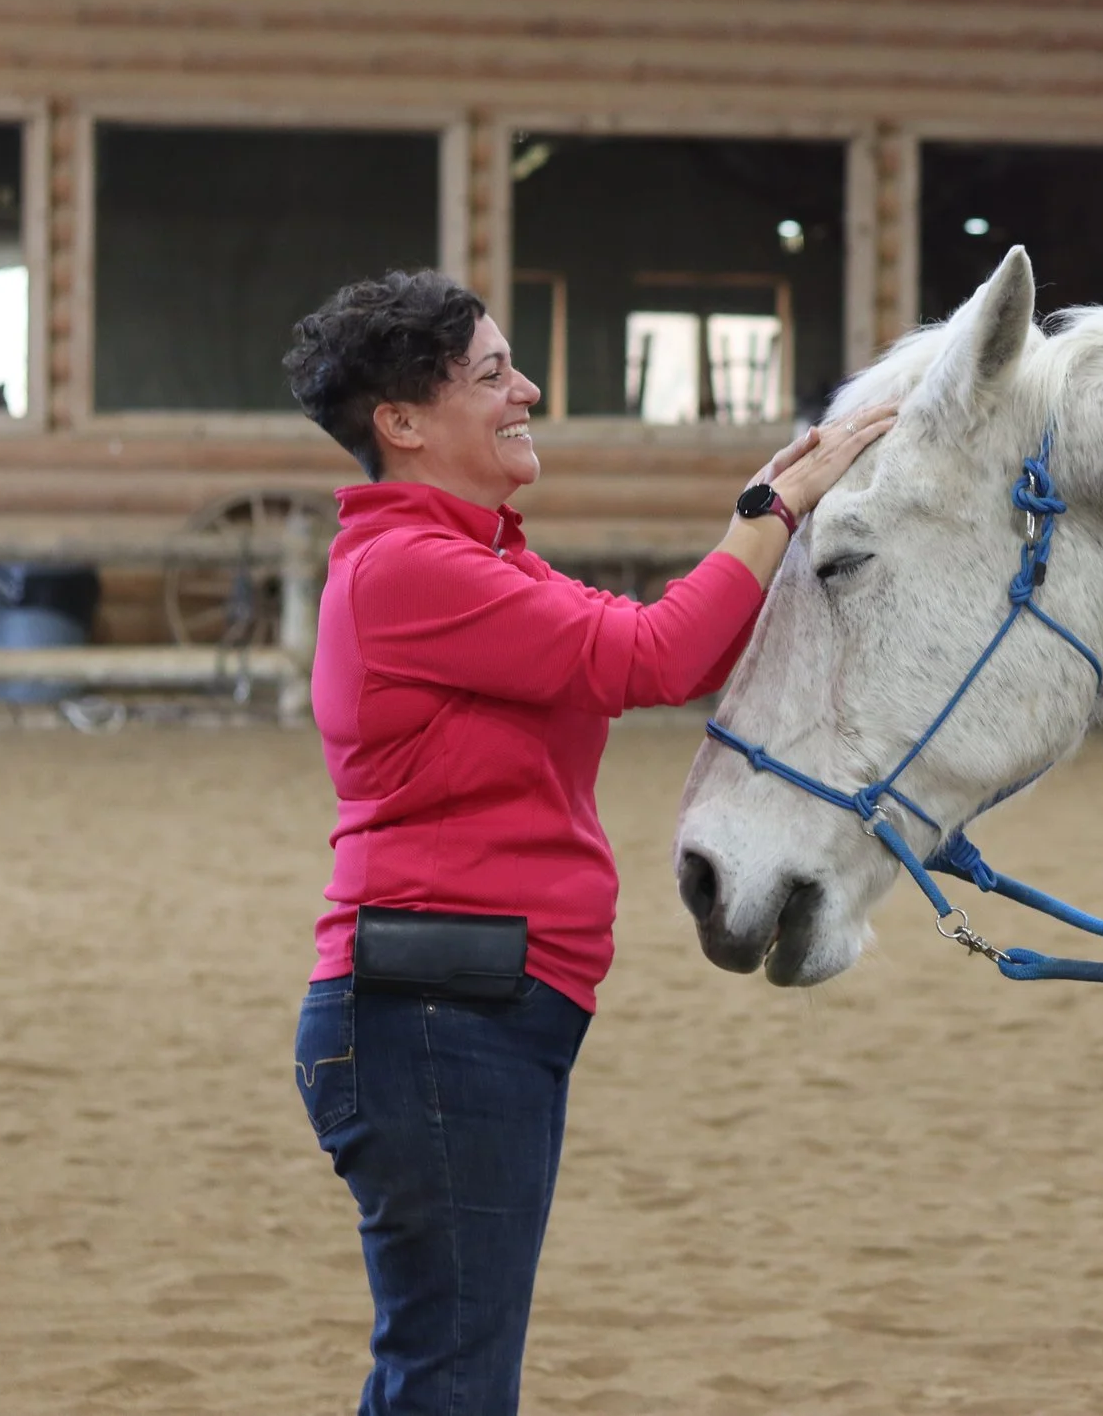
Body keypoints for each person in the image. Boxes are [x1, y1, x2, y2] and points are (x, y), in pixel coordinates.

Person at [281, 270, 892, 1414]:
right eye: (492, 375)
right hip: (437, 1015)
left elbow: (674, 650)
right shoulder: (415, 567)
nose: (530, 390)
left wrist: (776, 528)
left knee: (443, 1375)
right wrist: (764, 513)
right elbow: (652, 657)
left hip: (464, 1009)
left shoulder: (477, 553)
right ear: (401, 423)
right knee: (452, 1384)